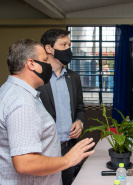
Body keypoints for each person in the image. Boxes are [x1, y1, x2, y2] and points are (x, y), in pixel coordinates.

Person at [0, 39, 95, 185]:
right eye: (44, 60)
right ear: (31, 64)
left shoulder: (12, 91)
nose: (48, 65)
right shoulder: (22, 103)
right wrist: (68, 159)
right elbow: (25, 163)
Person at [37, 29, 85, 185]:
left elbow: (80, 107)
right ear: (49, 48)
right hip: (44, 150)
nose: (68, 49)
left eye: (69, 45)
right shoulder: (36, 78)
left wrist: (79, 122)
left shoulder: (74, 78)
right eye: (63, 45)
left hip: (68, 148)